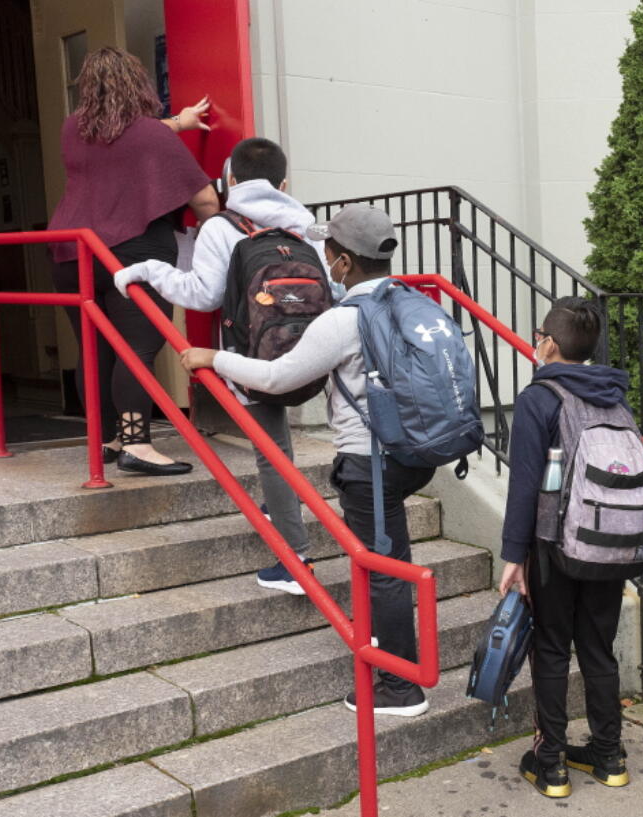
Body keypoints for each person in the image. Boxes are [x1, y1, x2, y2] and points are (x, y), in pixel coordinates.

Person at [179, 204, 434, 716]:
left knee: (384, 568)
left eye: (328, 253)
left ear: (340, 262)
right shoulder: (410, 301)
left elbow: (277, 378)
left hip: (369, 460)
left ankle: (401, 686)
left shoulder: (342, 321)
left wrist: (213, 357)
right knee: (389, 560)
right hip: (416, 452)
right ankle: (397, 663)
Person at [113, 137, 324, 594]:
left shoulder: (221, 227)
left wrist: (149, 269)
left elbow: (202, 296)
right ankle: (280, 509)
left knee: (274, 455)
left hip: (253, 354)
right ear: (284, 183)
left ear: (229, 180)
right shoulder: (306, 224)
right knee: (281, 448)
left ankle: (294, 561)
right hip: (314, 353)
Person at [48, 46, 218, 476]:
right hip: (134, 255)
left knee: (95, 349)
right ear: (138, 84)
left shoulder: (73, 128)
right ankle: (138, 445)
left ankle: (106, 439)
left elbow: (118, 138)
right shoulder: (151, 135)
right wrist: (218, 235)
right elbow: (203, 197)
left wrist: (176, 123)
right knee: (137, 349)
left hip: (73, 254)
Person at [498, 297, 633, 799]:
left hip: (555, 547)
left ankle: (551, 763)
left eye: (539, 334)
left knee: (552, 648)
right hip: (611, 544)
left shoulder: (539, 399)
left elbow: (525, 485)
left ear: (549, 343)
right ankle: (608, 755)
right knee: (598, 649)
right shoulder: (616, 396)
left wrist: (516, 556)